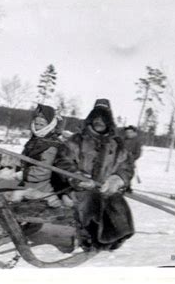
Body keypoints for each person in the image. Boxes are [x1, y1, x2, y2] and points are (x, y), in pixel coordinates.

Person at [0, 103, 64, 235]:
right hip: (30, 179)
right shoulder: (36, 140)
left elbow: (42, 172)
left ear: (50, 125)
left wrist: (15, 175)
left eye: (41, 124)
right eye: (36, 123)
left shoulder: (52, 145)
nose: (37, 126)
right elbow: (23, 160)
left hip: (40, 184)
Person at [52, 98, 135, 251]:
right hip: (79, 188)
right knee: (91, 201)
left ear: (109, 121)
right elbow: (62, 161)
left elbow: (127, 167)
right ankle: (89, 238)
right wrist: (76, 177)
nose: (99, 121)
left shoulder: (117, 144)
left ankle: (114, 239)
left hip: (105, 188)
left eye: (104, 118)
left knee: (117, 203)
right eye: (96, 117)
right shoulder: (76, 140)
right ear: (90, 118)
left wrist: (116, 180)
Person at [122, 125, 142, 192]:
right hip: (120, 160)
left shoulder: (137, 141)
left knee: (129, 173)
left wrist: (132, 157)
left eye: (130, 132)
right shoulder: (123, 140)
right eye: (127, 132)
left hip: (130, 160)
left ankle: (128, 186)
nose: (128, 134)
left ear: (133, 133)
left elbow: (138, 153)